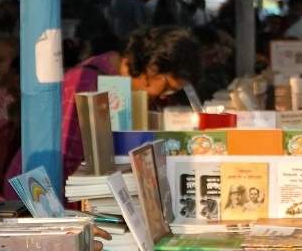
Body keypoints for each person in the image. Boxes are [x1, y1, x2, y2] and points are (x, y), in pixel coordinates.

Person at [53, 26, 200, 180]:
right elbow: (65, 162)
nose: (165, 97)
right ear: (152, 67)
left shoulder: (140, 94)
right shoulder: (86, 82)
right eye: (168, 87)